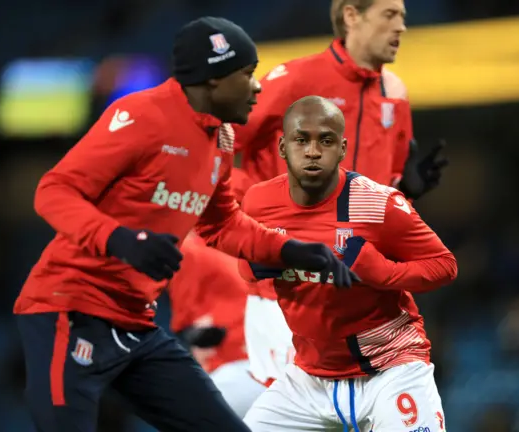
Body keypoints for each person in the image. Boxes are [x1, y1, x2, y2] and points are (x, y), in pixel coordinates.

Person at [13, 18, 356, 432]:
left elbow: (223, 224)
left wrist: (291, 250)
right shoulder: (141, 115)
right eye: (246, 75)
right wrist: (120, 239)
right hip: (67, 310)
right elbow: (54, 190)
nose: (257, 87)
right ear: (212, 80)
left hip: (137, 324)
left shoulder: (221, 139)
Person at [237, 0, 448, 393]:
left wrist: (405, 191)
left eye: (402, 15)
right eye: (389, 14)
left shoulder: (395, 93)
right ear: (352, 16)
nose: (401, 26)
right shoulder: (295, 79)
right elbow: (226, 141)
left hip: (365, 298)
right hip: (289, 293)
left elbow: (382, 197)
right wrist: (249, 217)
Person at [239, 96, 457, 431]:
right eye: (302, 140)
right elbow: (246, 267)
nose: (313, 151)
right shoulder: (259, 203)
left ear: (342, 149)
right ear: (282, 147)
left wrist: (384, 274)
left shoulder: (377, 203)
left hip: (389, 369)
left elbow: (444, 265)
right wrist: (269, 262)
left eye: (325, 140)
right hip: (309, 379)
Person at [168, 231, 266, 418]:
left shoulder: (187, 249)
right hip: (270, 368)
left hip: (234, 368)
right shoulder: (233, 243)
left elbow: (191, 327)